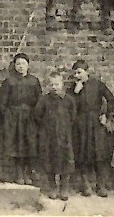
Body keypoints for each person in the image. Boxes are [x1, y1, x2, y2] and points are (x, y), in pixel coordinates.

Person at [69, 59, 114, 197]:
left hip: (96, 122)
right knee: (82, 153)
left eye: (79, 72)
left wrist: (105, 115)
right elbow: (69, 105)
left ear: (87, 72)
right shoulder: (73, 88)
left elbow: (111, 99)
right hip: (81, 123)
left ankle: (100, 185)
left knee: (99, 153)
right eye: (75, 73)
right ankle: (85, 185)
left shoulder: (97, 84)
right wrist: (76, 93)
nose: (77, 76)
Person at [0, 53, 41, 185]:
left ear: (28, 65)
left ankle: (27, 173)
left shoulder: (34, 81)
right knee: (16, 144)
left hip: (29, 117)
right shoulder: (9, 81)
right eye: (18, 64)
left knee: (29, 144)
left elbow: (39, 99)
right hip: (13, 117)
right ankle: (19, 173)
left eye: (23, 63)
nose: (21, 66)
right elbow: (2, 103)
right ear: (14, 66)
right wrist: (8, 117)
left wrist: (36, 116)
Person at [34, 72, 76, 201]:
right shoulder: (44, 100)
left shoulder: (68, 100)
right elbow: (37, 115)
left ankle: (64, 187)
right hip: (48, 137)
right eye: (51, 84)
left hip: (64, 136)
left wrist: (64, 128)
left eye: (57, 84)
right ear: (47, 85)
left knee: (65, 161)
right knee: (49, 160)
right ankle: (52, 186)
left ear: (62, 84)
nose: (54, 87)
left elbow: (73, 116)